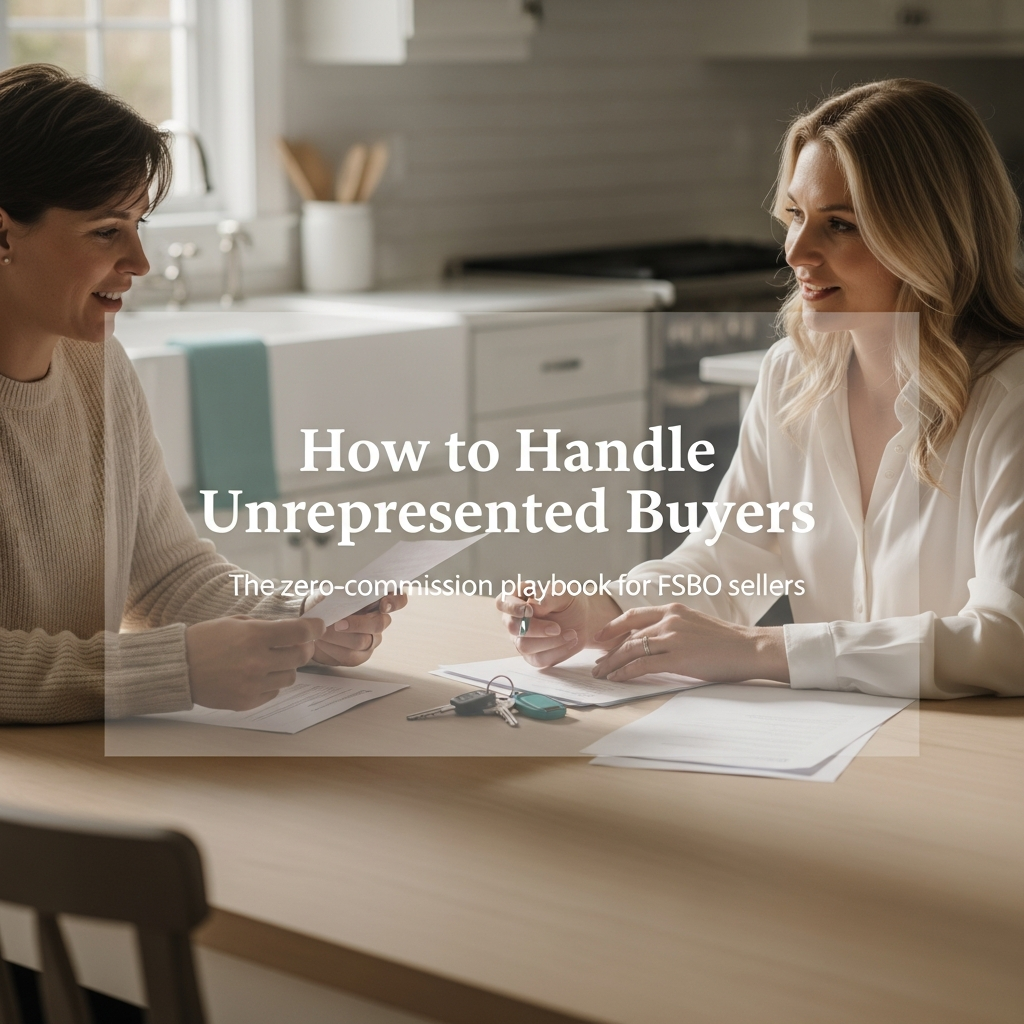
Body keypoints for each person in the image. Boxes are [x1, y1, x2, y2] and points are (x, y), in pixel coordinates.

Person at [497, 79, 1024, 700]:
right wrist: (601, 612)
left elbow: (1007, 640)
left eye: (841, 225)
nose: (797, 251)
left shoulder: (1008, 400)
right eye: (796, 216)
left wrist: (754, 649)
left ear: (931, 234)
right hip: (836, 746)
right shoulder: (792, 376)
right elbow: (728, 556)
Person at [0, 64, 405, 724]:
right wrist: (173, 669)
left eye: (139, 225)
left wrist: (297, 621)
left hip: (75, 761)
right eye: (107, 231)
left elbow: (163, 576)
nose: (140, 262)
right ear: (3, 233)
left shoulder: (96, 368)